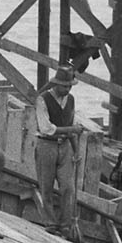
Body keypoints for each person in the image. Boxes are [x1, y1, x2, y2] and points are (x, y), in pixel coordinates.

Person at [31, 65, 80, 229]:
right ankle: (50, 223)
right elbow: (47, 128)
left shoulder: (71, 99)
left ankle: (66, 224)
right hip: (47, 145)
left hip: (65, 146)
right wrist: (71, 130)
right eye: (65, 86)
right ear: (56, 84)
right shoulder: (42, 99)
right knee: (46, 186)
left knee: (68, 187)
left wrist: (76, 150)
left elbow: (71, 123)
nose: (68, 89)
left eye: (70, 86)